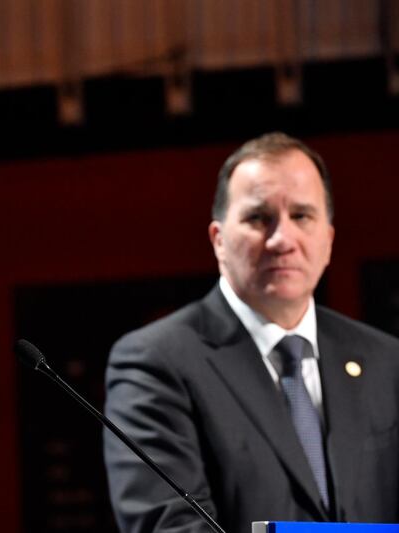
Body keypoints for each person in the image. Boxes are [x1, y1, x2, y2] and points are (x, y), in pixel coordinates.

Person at [104, 132, 399, 532]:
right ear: (219, 240)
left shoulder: (385, 360)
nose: (282, 240)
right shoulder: (155, 362)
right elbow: (169, 526)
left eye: (302, 216)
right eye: (259, 218)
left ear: (328, 239)